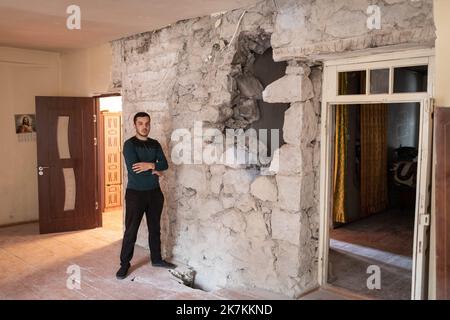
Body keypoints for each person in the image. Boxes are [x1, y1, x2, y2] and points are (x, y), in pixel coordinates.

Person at [116, 112, 176, 280]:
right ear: (135, 125)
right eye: (141, 123)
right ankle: (124, 264)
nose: (144, 126)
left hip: (155, 193)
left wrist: (150, 165)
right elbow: (135, 168)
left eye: (147, 123)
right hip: (136, 194)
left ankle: (156, 259)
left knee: (155, 228)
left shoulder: (155, 144)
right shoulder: (129, 145)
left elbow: (164, 164)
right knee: (131, 231)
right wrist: (155, 170)